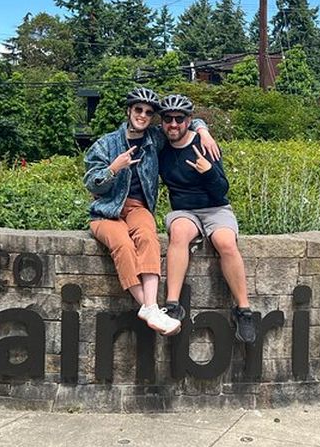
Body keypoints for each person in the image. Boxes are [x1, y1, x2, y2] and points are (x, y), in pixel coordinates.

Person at [83, 87, 220, 336]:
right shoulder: (106, 144)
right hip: (105, 211)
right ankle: (149, 307)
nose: (143, 115)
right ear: (129, 111)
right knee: (122, 244)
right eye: (138, 110)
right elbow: (91, 183)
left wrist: (203, 130)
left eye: (148, 112)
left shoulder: (153, 139)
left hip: (137, 207)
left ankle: (150, 308)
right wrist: (113, 169)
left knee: (148, 235)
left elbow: (183, 121)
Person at [156, 94, 256, 344]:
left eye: (180, 118)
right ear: (162, 122)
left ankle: (243, 310)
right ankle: (172, 304)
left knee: (225, 242)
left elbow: (221, 190)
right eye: (168, 118)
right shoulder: (160, 145)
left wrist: (209, 171)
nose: (174, 124)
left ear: (188, 120)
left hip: (215, 207)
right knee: (178, 234)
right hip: (184, 211)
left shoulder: (204, 145)